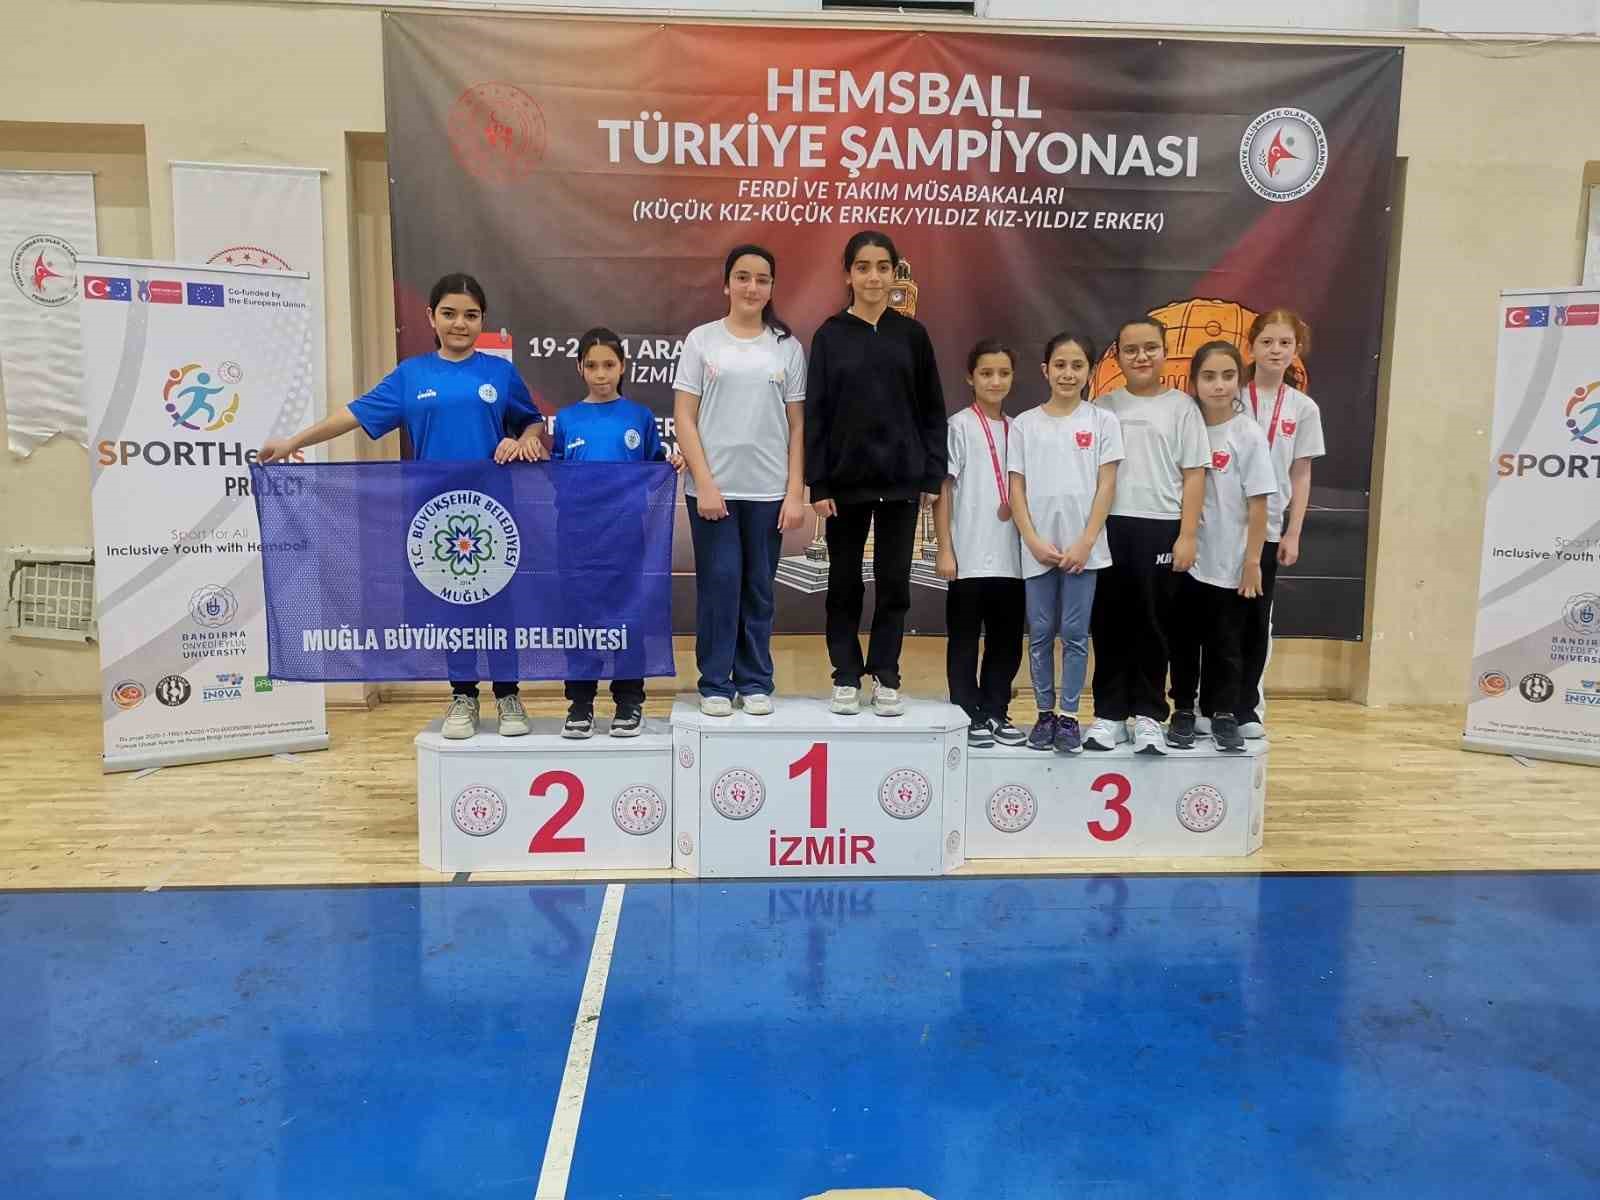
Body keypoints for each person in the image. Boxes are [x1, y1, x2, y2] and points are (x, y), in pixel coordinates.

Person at [258, 272, 547, 740]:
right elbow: (352, 414)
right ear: (431, 317)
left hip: (493, 512)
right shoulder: (412, 376)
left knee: (498, 606)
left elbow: (532, 423)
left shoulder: (499, 373)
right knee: (455, 606)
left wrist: (521, 440)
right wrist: (294, 441)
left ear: (483, 321)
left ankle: (508, 696)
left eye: (471, 315)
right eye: (449, 314)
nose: (460, 324)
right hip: (436, 515)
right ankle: (463, 697)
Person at [805, 230, 946, 718]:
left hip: (902, 484)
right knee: (844, 584)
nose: (873, 277)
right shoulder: (829, 335)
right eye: (863, 267)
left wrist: (931, 476)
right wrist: (818, 482)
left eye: (882, 267)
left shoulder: (913, 336)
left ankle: (886, 674)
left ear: (894, 275)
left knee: (894, 584)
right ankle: (845, 675)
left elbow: (932, 411)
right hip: (844, 487)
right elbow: (816, 415)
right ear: (848, 274)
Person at [673, 245, 808, 718]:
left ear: (772, 287)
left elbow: (797, 426)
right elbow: (684, 418)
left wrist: (794, 493)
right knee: (720, 585)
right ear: (727, 284)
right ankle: (715, 681)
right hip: (714, 492)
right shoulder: (702, 341)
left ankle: (754, 680)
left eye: (762, 279)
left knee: (758, 588)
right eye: (743, 277)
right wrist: (706, 483)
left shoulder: (787, 347)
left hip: (768, 492)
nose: (752, 287)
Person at [1084, 316, 1210, 756]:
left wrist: (1187, 535)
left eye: (1150, 348)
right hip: (1110, 525)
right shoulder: (1102, 407)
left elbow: (1194, 475)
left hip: (1160, 526)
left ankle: (1150, 714)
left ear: (1165, 352)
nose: (1141, 357)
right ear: (1117, 357)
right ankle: (1110, 713)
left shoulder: (1182, 408)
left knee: (1154, 624)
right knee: (1109, 621)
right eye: (1131, 349)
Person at [552, 327, 683, 739]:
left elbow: (654, 468)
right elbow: (555, 473)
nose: (601, 374)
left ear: (623, 366)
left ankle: (629, 701)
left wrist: (671, 463)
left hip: (627, 535)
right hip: (577, 537)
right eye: (592, 365)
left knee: (629, 615)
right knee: (581, 619)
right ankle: (580, 703)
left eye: (609, 365)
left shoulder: (639, 417)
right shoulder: (567, 419)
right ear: (579, 368)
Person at [1009, 332, 1123, 755]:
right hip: (1038, 549)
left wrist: (1086, 542)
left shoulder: (1103, 422)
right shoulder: (1024, 424)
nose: (1068, 373)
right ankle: (1044, 714)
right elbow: (1016, 488)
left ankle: (1070, 716)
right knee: (1040, 633)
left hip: (1083, 551)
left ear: (1090, 372)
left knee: (1075, 634)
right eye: (1060, 365)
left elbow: (1107, 486)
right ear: (1045, 370)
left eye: (1077, 365)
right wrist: (1032, 540)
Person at [1166, 341, 1276, 753]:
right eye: (1209, 377)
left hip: (1230, 560)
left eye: (1228, 376)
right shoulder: (1186, 425)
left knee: (1227, 641)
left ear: (1240, 380)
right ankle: (1183, 708)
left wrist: (1252, 560)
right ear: (1194, 382)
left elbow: (1259, 502)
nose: (1218, 385)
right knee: (1183, 640)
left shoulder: (1247, 434)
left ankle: (1224, 711)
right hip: (1187, 556)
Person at [1231, 308, 1326, 739]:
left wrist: (1293, 531)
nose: (1275, 350)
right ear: (1250, 346)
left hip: (1268, 527)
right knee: (1214, 616)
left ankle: (1246, 707)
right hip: (1222, 522)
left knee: (1255, 618)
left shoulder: (1303, 408)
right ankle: (1207, 701)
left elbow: (1301, 472)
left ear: (1296, 350)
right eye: (1266, 342)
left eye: (1284, 343)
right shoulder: (1230, 398)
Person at [934, 339, 1026, 748]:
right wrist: (945, 548)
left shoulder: (1020, 429)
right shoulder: (959, 426)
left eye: (1003, 373)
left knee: (1007, 642)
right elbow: (943, 490)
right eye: (986, 373)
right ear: (970, 377)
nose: (995, 381)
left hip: (1014, 558)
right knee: (964, 640)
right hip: (969, 555)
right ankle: (966, 713)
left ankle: (995, 710)